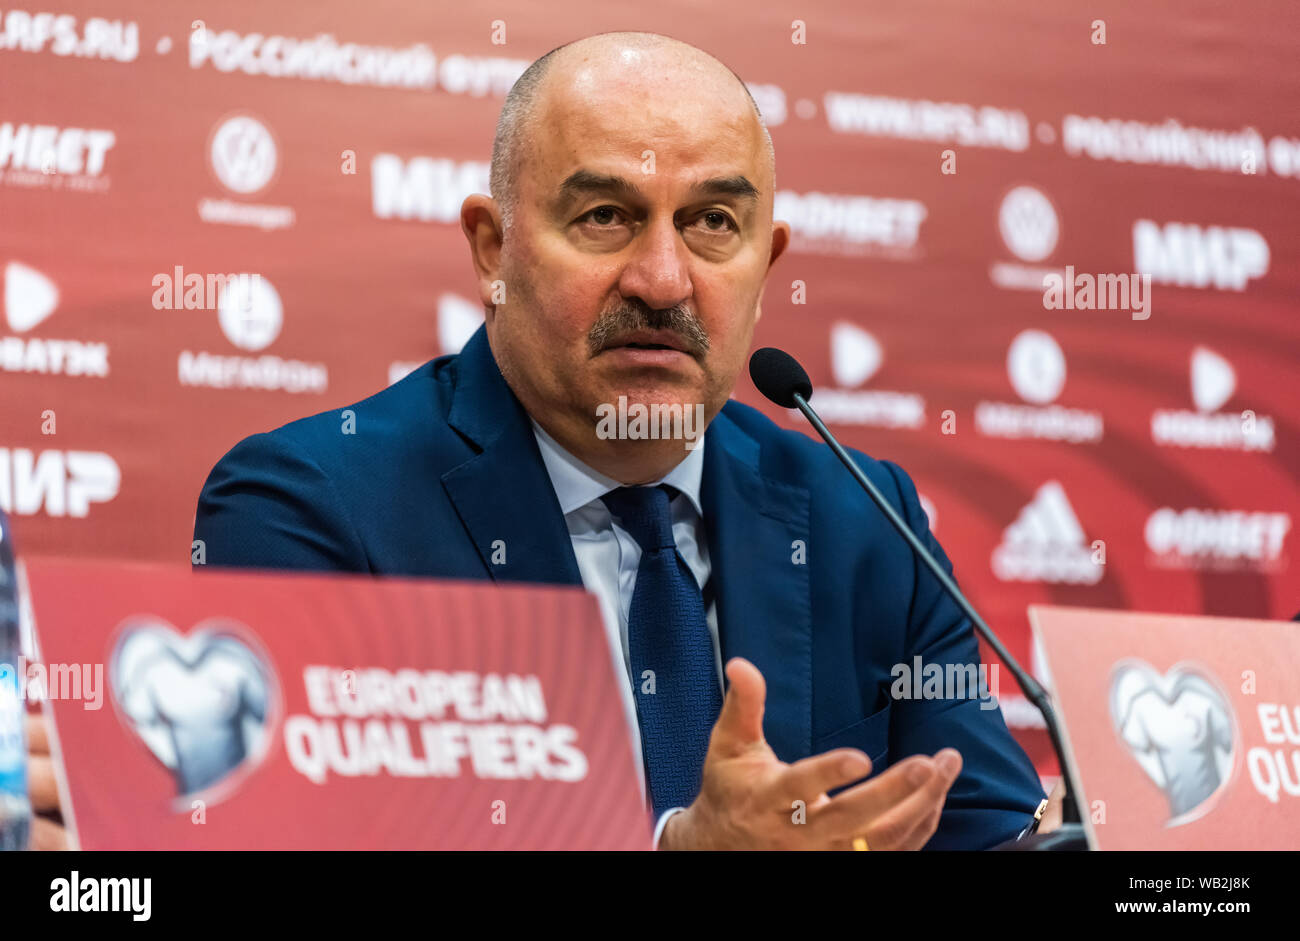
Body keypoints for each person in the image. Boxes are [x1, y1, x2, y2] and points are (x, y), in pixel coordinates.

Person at [40, 31, 1059, 850]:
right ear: (492, 247)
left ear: (766, 258)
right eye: (608, 215)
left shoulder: (864, 513)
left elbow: (982, 830)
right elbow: (288, 843)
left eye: (711, 223)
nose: (662, 279)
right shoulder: (318, 501)